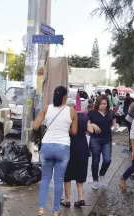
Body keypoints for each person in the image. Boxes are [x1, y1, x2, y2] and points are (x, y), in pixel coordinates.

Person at [33, 86, 79, 216]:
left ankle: (41, 209)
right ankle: (55, 211)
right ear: (65, 97)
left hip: (47, 146)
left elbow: (35, 125)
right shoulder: (72, 112)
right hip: (63, 148)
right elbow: (74, 132)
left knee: (46, 178)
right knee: (59, 180)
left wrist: (48, 125)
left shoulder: (46, 108)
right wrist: (63, 129)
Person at [61, 99, 94, 208]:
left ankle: (67, 200)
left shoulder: (66, 118)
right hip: (82, 148)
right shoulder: (84, 117)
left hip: (69, 148)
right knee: (80, 174)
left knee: (67, 174)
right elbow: (91, 130)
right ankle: (81, 198)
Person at [88, 95, 117, 190]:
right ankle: (95, 180)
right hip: (95, 140)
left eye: (105, 103)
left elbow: (114, 123)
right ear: (97, 104)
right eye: (101, 104)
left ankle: (102, 174)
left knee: (107, 160)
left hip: (107, 140)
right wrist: (92, 124)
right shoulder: (92, 113)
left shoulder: (111, 113)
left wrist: (114, 128)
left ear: (107, 104)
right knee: (95, 160)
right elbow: (86, 123)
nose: (103, 105)